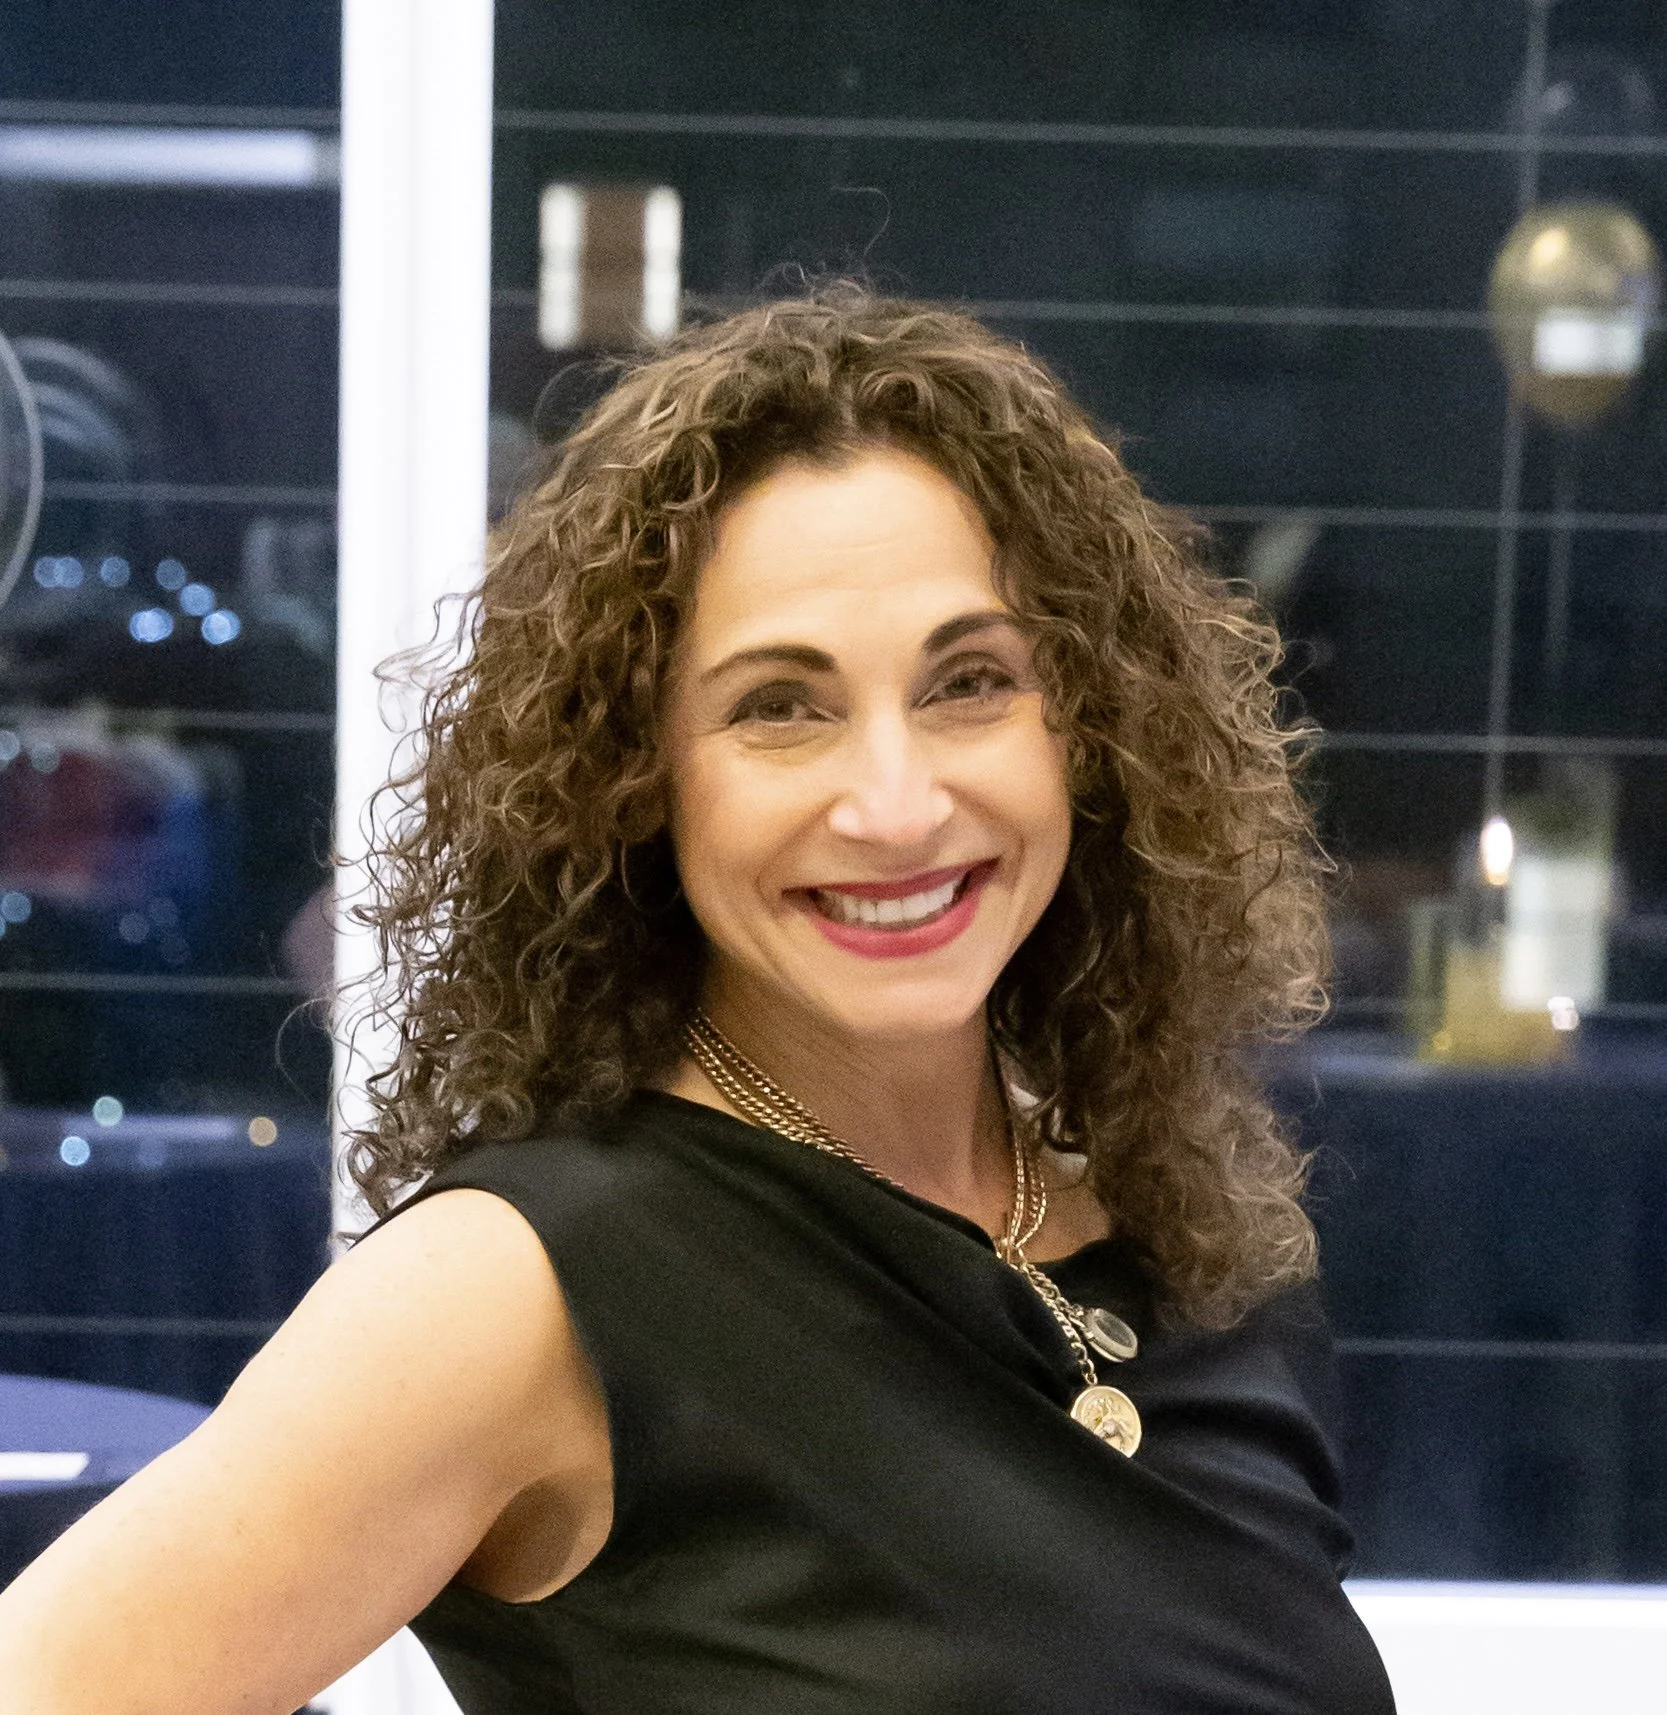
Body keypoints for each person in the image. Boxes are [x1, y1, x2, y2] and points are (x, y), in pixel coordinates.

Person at [0, 288, 1394, 1713]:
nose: (897, 805)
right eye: (779, 706)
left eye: (971, 682)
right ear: (633, 779)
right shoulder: (523, 1287)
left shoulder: (1181, 1234)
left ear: (1088, 729)